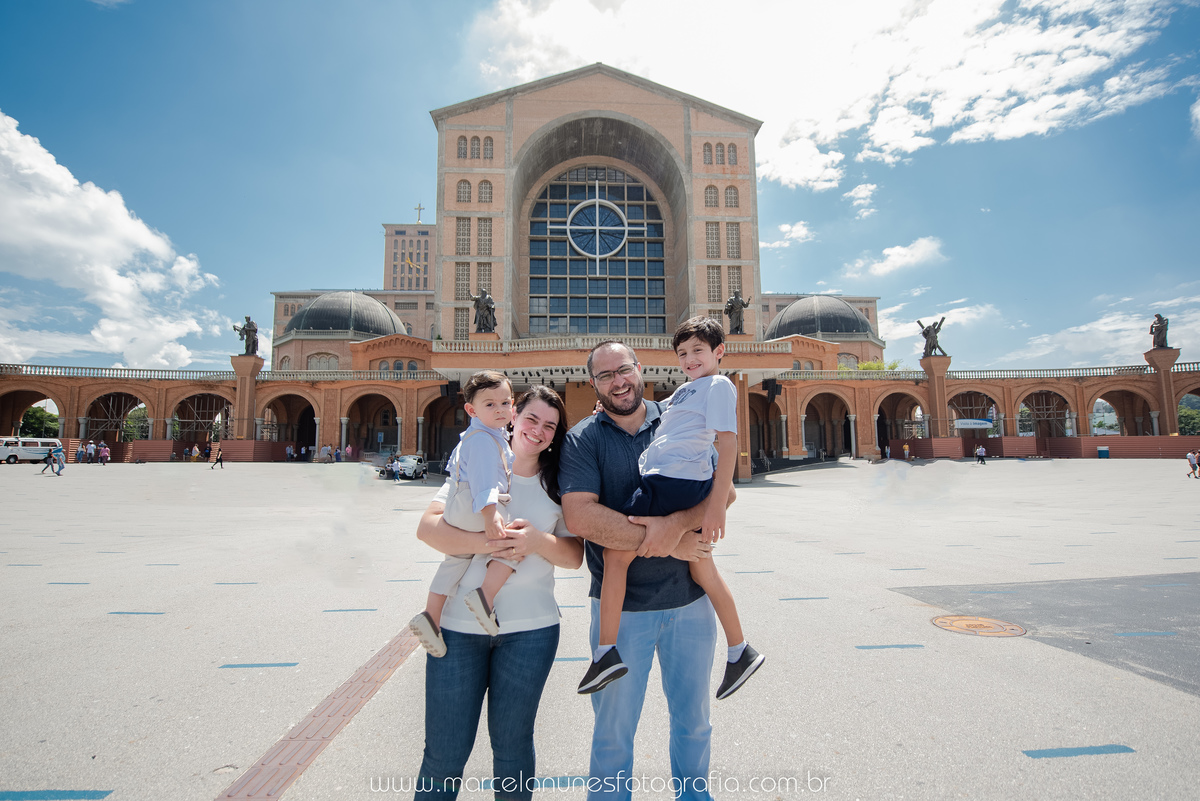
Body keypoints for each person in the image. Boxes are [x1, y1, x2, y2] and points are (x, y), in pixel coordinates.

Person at [559, 340, 730, 801]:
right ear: (593, 384)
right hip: (621, 613)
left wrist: (673, 523)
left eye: (625, 370)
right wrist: (668, 541)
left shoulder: (681, 416)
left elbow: (723, 496)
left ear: (640, 369)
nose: (619, 381)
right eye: (606, 375)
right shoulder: (583, 439)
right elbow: (580, 518)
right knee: (613, 733)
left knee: (694, 722)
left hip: (689, 604)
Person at [578, 318, 763, 700]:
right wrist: (606, 405)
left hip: (674, 481)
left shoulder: (718, 385)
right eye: (683, 353)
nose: (690, 358)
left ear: (719, 352)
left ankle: (604, 654)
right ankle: (740, 650)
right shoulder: (685, 392)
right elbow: (658, 413)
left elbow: (727, 446)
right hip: (672, 479)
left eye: (698, 350)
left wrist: (715, 509)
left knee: (615, 555)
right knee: (703, 566)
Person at [413, 386, 582, 801]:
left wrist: (536, 542)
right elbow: (427, 528)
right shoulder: (479, 458)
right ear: (512, 415)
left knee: (512, 750)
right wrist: (493, 543)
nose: (538, 431)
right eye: (531, 419)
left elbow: (575, 555)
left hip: (531, 630)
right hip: (457, 630)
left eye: (550, 426)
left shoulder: (561, 482)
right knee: (444, 755)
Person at [408, 370, 521, 655]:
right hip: (476, 506)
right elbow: (484, 481)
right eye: (490, 404)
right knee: (515, 543)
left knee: (454, 560)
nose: (500, 409)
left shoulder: (481, 434)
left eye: (505, 403)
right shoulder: (483, 439)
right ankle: (485, 597)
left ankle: (431, 616)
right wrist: (490, 515)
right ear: (471, 409)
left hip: (459, 507)